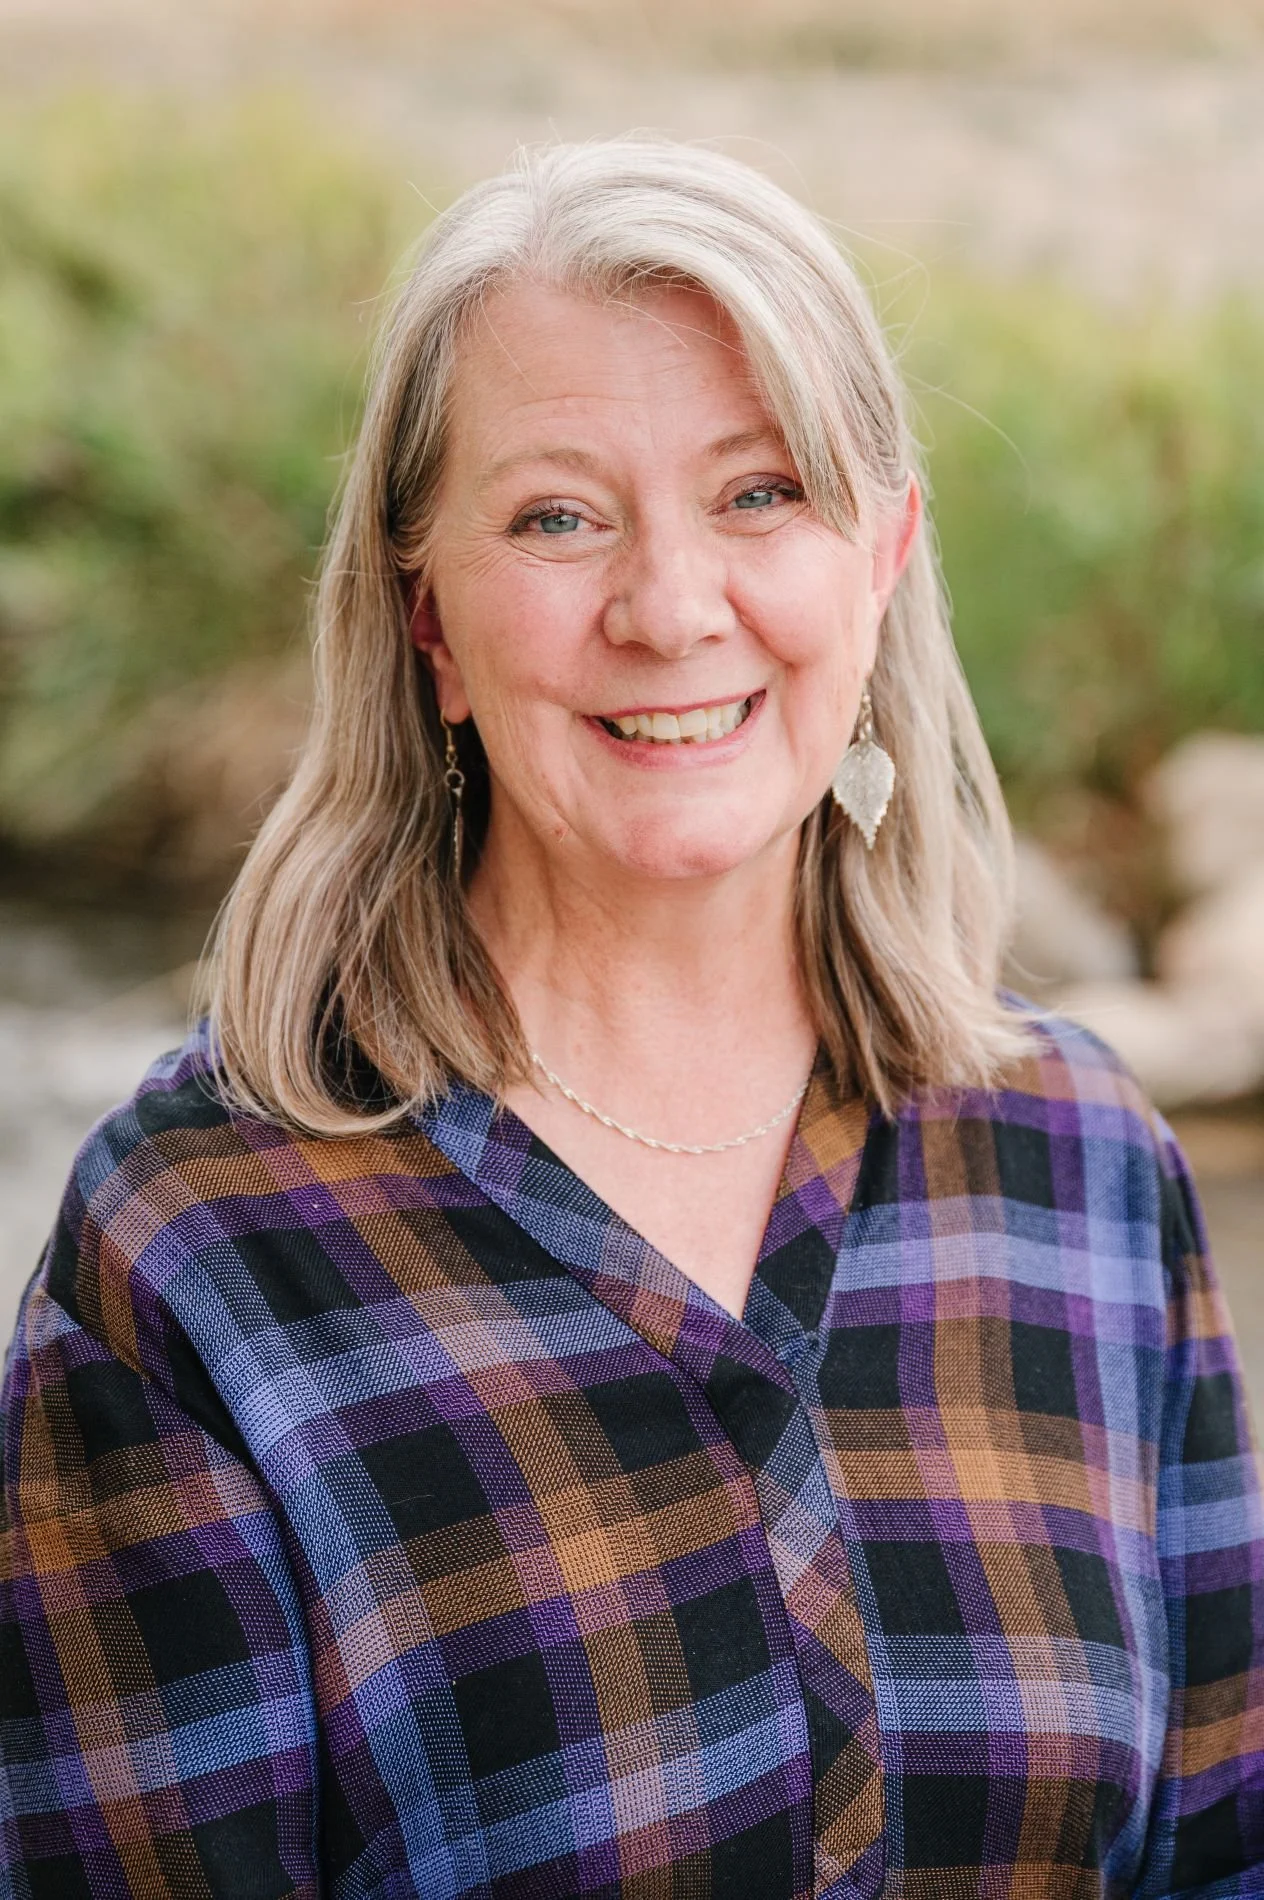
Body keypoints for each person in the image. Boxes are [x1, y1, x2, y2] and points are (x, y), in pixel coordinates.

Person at [2, 139, 1261, 1899]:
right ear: (427, 614)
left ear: (883, 550)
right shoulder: (200, 1245)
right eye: (556, 517)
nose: (671, 609)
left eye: (760, 496)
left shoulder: (1084, 1166)